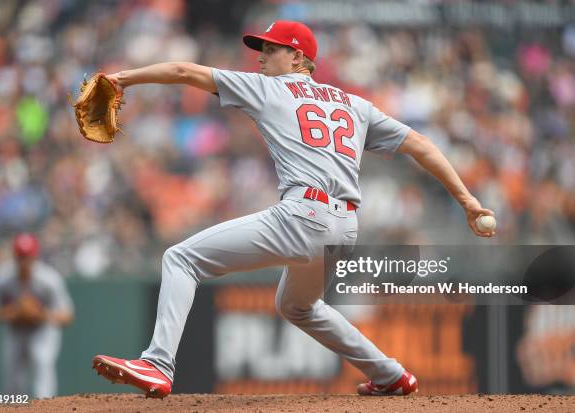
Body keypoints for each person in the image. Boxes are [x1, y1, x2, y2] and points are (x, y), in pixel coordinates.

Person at [92, 20, 495, 398]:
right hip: (345, 227)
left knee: (181, 259)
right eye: (261, 49)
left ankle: (157, 364)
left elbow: (183, 71)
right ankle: (391, 375)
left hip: (303, 215)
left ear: (298, 58)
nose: (261, 56)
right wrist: (469, 201)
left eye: (271, 49)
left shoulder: (268, 89)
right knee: (297, 306)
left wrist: (121, 78)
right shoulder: (355, 105)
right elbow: (421, 145)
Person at [0, 233, 74, 398]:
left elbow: (67, 316)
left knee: (42, 361)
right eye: (20, 256)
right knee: (12, 381)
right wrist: (11, 311)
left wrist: (40, 313)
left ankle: (46, 406)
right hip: (15, 329)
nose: (24, 261)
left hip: (42, 329)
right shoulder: (1, 278)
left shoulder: (49, 279)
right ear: (14, 256)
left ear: (35, 256)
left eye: (28, 256)